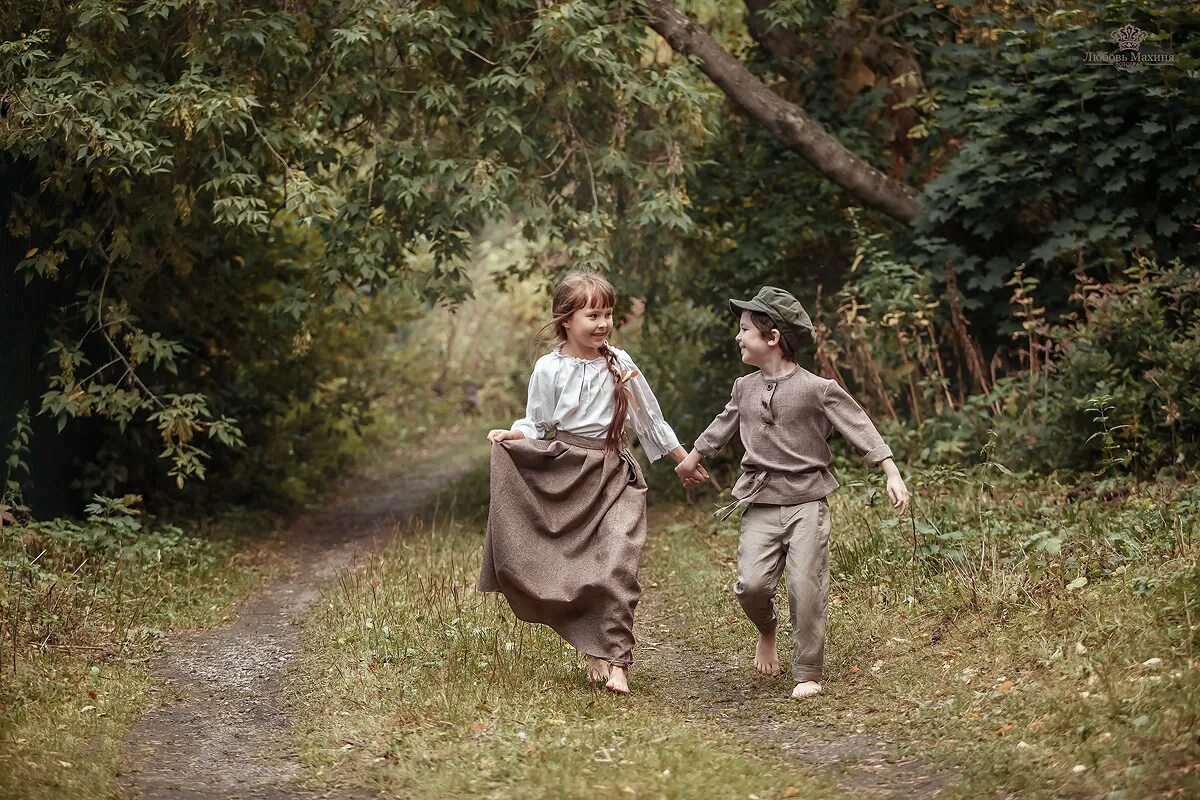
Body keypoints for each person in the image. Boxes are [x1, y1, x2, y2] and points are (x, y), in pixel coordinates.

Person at [675, 286, 909, 699]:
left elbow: (859, 425)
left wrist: (890, 470)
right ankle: (767, 629)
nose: (738, 336)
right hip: (760, 503)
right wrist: (693, 458)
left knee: (805, 586)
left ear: (773, 338)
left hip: (806, 503)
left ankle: (807, 672)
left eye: (745, 329)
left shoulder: (817, 389)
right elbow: (723, 425)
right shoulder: (744, 388)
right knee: (751, 586)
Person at [478, 272, 707, 694]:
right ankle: (591, 643)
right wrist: (514, 435)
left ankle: (618, 659)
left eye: (608, 314)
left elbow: (649, 420)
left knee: (618, 561)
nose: (602, 323)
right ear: (566, 319)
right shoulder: (549, 368)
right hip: (567, 473)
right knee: (575, 569)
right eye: (592, 315)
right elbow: (538, 422)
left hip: (613, 472)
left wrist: (682, 461)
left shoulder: (620, 363)